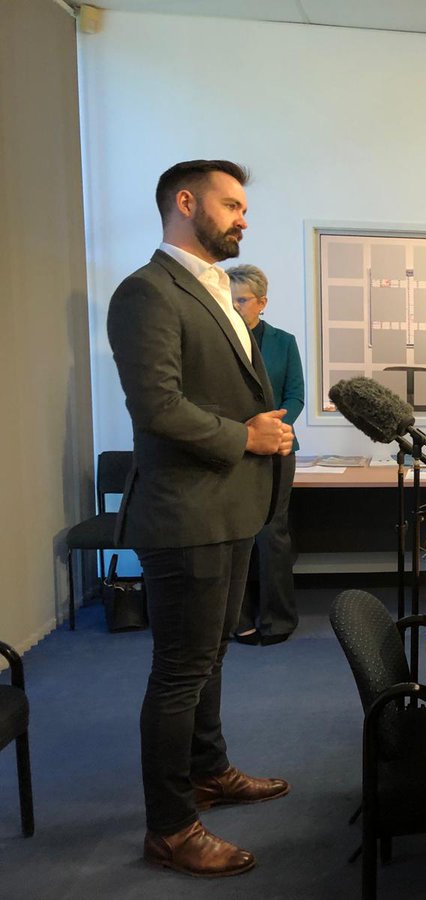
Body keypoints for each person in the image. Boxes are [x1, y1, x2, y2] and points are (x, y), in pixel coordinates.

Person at [107, 160, 293, 877]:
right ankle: (171, 827)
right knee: (180, 672)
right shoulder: (147, 292)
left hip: (230, 506)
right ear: (185, 204)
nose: (244, 217)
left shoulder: (215, 290)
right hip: (185, 512)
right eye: (232, 204)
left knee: (211, 657)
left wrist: (258, 430)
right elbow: (155, 407)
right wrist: (243, 436)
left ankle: (210, 772)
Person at [227, 264, 304, 647]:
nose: (235, 306)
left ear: (262, 303)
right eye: (230, 299)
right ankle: (237, 619)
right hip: (234, 448)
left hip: (278, 448)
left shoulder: (283, 342)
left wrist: (272, 429)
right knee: (235, 534)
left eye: (242, 299)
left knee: (273, 534)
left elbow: (295, 395)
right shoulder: (217, 339)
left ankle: (278, 620)